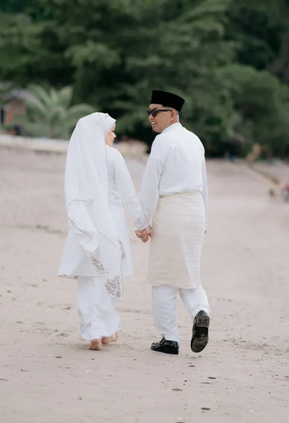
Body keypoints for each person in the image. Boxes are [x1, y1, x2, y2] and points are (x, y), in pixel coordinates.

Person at [58, 112, 150, 350]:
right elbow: (128, 195)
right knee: (109, 277)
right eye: (111, 130)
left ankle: (94, 332)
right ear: (100, 133)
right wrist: (142, 223)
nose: (115, 134)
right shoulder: (113, 157)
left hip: (87, 224)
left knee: (89, 278)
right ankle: (106, 331)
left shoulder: (81, 158)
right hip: (112, 225)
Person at [136, 90, 211, 355]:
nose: (150, 118)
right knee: (189, 274)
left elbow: (150, 185)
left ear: (173, 114)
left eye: (155, 112)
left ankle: (169, 338)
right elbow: (204, 184)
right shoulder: (195, 140)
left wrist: (142, 221)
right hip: (195, 211)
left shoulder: (163, 142)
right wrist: (205, 219)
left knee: (163, 275)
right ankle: (201, 311)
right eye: (149, 112)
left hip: (172, 211)